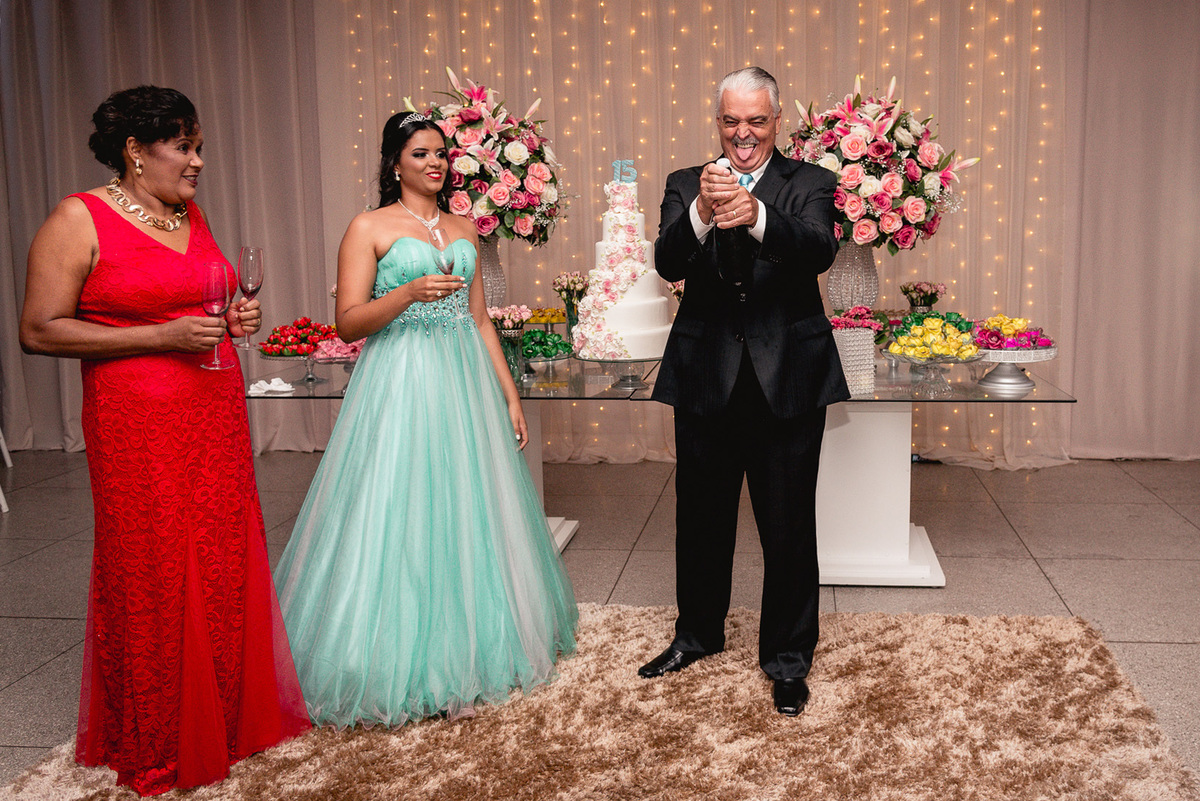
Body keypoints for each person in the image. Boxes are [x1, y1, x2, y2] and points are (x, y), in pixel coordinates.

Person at [18, 85, 310, 795]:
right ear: (134, 150)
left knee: (218, 555)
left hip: (212, 411)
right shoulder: (77, 217)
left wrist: (233, 320)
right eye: (183, 146)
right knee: (152, 565)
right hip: (137, 422)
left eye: (199, 146)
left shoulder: (188, 213)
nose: (198, 160)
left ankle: (226, 717)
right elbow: (38, 329)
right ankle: (158, 735)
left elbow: (196, 303)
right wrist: (161, 336)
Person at [271, 111, 577, 727]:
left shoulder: (465, 227)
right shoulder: (368, 227)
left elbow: (480, 319)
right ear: (394, 164)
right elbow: (347, 323)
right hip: (400, 378)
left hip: (463, 378)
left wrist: (509, 395)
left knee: (467, 502)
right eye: (420, 154)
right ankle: (389, 650)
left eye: (440, 153)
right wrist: (405, 294)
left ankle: (472, 641)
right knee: (399, 500)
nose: (434, 163)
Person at [643, 67, 850, 716]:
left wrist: (757, 214)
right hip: (706, 374)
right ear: (718, 122)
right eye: (731, 120)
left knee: (788, 526)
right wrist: (704, 213)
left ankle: (787, 660)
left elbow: (817, 250)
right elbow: (667, 260)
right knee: (700, 519)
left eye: (756, 120)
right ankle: (697, 635)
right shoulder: (686, 183)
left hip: (787, 377)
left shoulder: (811, 181)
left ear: (777, 121)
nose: (743, 133)